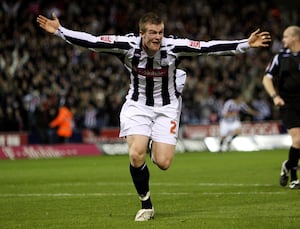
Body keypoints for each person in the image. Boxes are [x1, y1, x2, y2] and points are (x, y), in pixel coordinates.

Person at [37, 12, 271, 221]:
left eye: (160, 32)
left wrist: (245, 45)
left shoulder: (173, 47)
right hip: (138, 105)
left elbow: (207, 47)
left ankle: (156, 131)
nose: (157, 37)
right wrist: (60, 31)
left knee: (163, 163)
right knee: (136, 153)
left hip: (168, 106)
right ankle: (146, 203)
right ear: (141, 33)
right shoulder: (127, 45)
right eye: (152, 33)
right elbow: (92, 41)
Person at [262, 25, 300, 189]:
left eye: (285, 36)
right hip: (288, 103)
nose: (282, 40)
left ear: (294, 38)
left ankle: (287, 165)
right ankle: (294, 177)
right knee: (298, 140)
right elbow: (266, 79)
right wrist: (275, 96)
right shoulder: (280, 57)